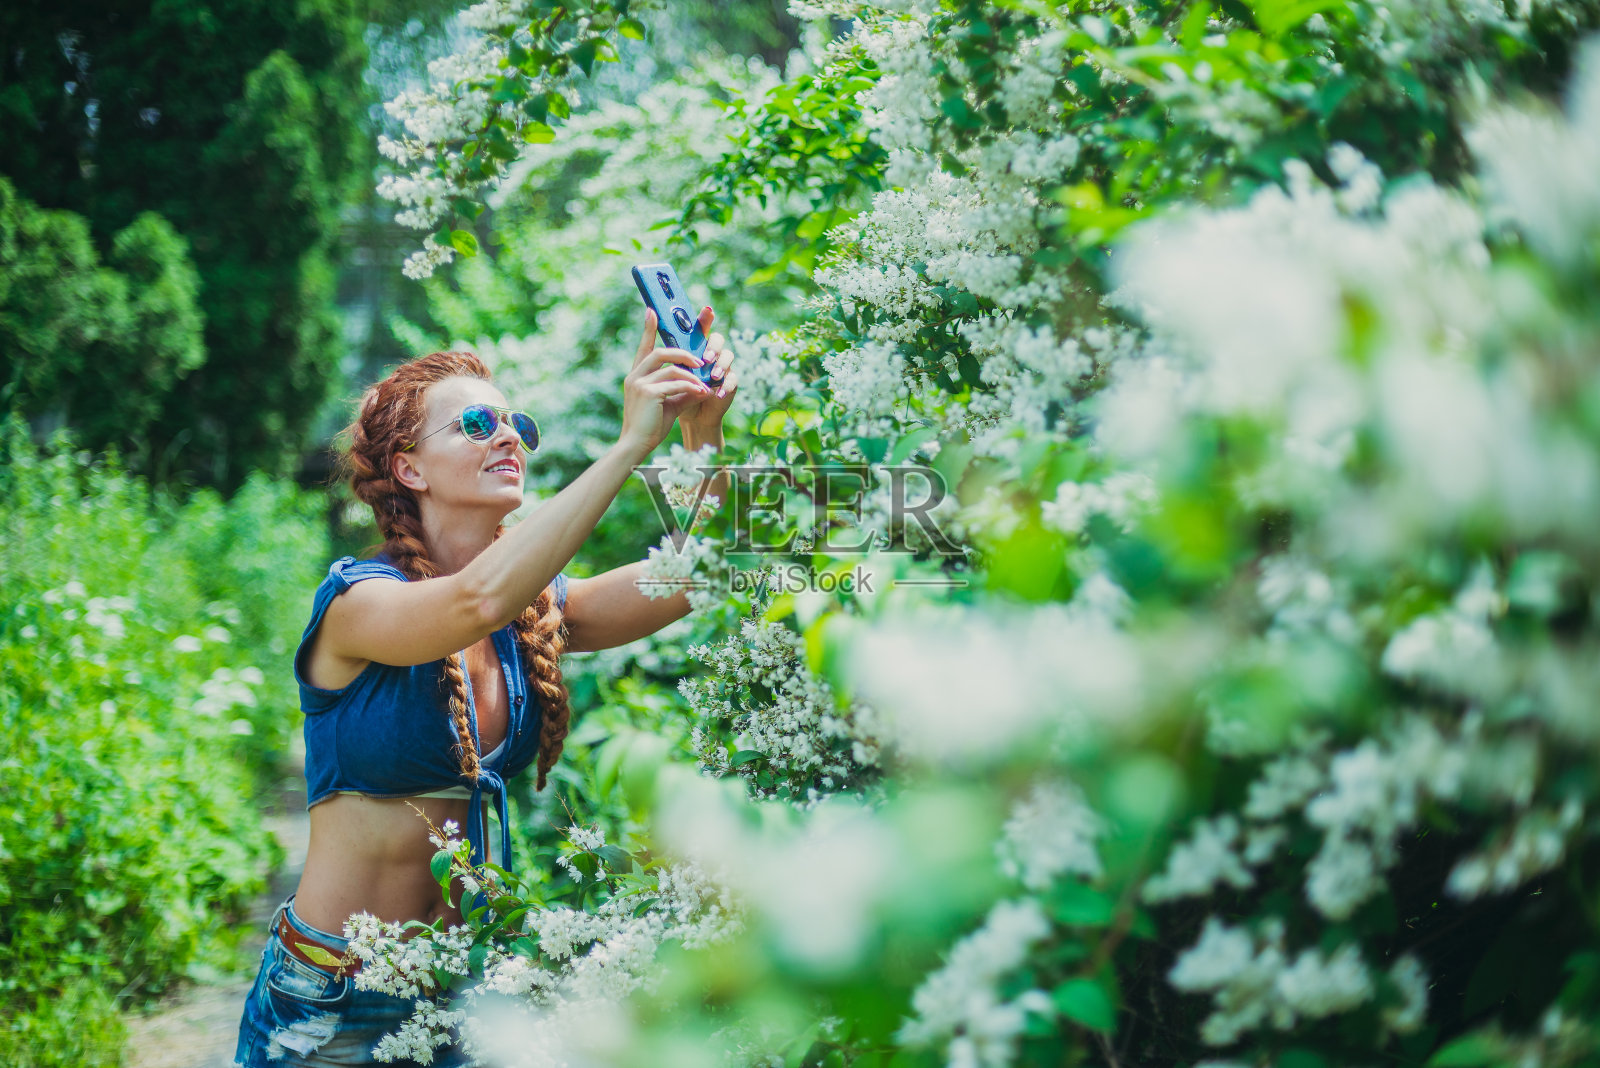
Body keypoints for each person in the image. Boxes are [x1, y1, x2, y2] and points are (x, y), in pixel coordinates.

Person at [233, 307, 738, 1067]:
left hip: (462, 993)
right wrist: (634, 443)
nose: (509, 437)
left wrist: (701, 432)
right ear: (408, 467)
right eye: (476, 423)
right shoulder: (356, 604)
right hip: (332, 994)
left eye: (516, 424)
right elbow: (475, 600)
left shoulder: (535, 610)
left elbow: (702, 571)